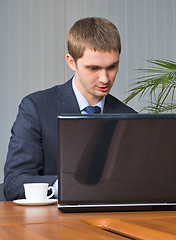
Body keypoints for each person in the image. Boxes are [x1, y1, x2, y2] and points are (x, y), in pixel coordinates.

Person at [4, 17, 137, 201]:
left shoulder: (130, 118)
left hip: (112, 222)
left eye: (112, 67)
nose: (105, 79)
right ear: (71, 62)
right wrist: (68, 187)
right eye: (93, 68)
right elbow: (14, 183)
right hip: (51, 225)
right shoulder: (36, 108)